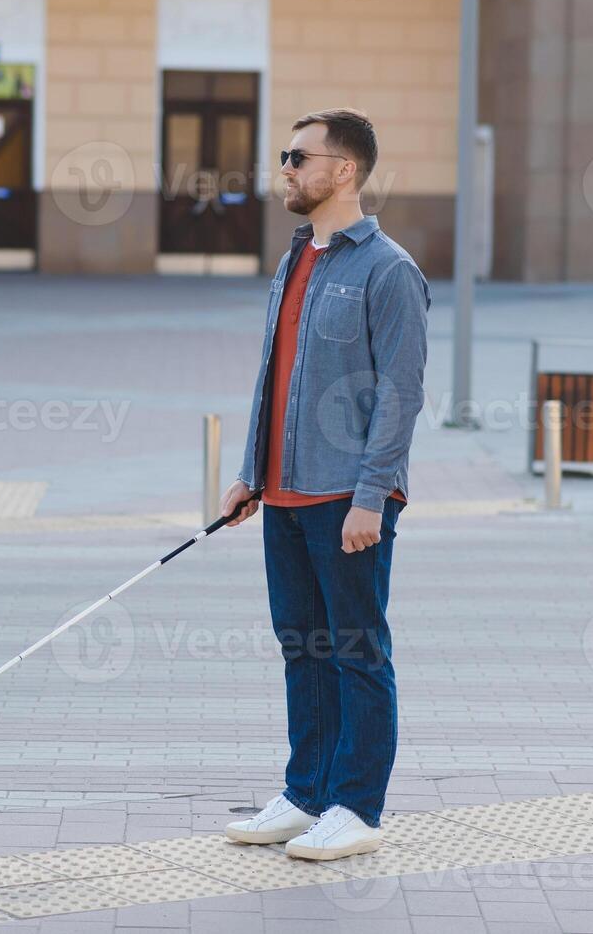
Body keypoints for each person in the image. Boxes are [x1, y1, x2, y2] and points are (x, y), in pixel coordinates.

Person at [218, 108, 430, 862]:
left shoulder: (389, 270)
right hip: (285, 493)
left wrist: (372, 497)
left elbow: (400, 395)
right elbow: (273, 377)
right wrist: (251, 472)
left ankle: (356, 806)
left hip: (349, 498)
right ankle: (306, 792)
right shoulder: (294, 263)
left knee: (356, 650)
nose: (285, 169)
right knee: (302, 646)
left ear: (343, 170)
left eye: (297, 157)